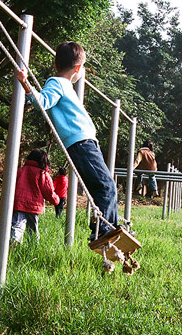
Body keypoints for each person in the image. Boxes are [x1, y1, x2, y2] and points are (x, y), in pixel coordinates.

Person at [16, 41, 119, 241]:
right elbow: (42, 102)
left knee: (104, 187)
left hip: (86, 144)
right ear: (79, 69)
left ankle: (109, 227)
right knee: (106, 186)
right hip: (82, 144)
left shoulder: (64, 85)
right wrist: (26, 85)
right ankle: (105, 231)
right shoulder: (57, 83)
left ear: (56, 65)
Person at [10, 149, 60, 243]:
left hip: (18, 204)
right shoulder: (42, 174)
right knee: (32, 229)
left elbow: (9, 187)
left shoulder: (19, 171)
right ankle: (32, 247)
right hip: (34, 206)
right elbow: (48, 192)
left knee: (17, 225)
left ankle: (14, 240)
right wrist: (56, 200)